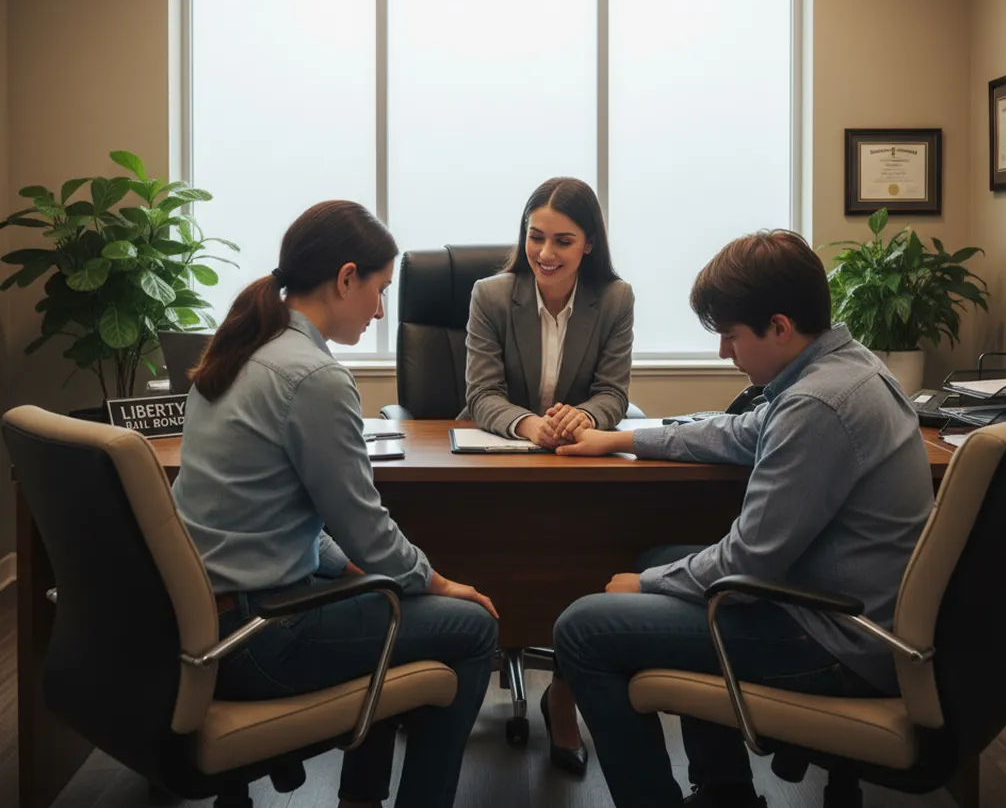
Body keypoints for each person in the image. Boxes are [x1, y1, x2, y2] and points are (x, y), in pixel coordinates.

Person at [551, 229, 934, 808]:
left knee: (583, 628)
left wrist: (646, 585)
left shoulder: (816, 405)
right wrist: (623, 437)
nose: (723, 354)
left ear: (779, 326)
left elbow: (748, 559)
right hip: (854, 610)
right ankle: (724, 791)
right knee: (662, 557)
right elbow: (741, 432)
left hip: (834, 642)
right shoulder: (846, 366)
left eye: (730, 337)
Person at [173, 200, 499, 808]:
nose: (380, 310)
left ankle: (361, 798)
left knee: (381, 588)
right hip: (261, 641)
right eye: (378, 291)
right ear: (346, 278)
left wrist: (360, 572)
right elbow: (364, 525)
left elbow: (296, 514)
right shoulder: (313, 376)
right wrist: (437, 581)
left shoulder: (239, 350)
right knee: (473, 628)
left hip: (209, 625)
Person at [463, 175, 635, 776]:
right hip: (499, 467)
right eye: (536, 237)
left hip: (576, 469)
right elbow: (481, 394)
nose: (546, 253)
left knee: (590, 558)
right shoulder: (491, 295)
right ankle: (449, 687)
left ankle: (562, 695)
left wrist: (583, 416)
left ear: (589, 244)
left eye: (563, 240)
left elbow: (614, 391)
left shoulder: (614, 299)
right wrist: (531, 425)